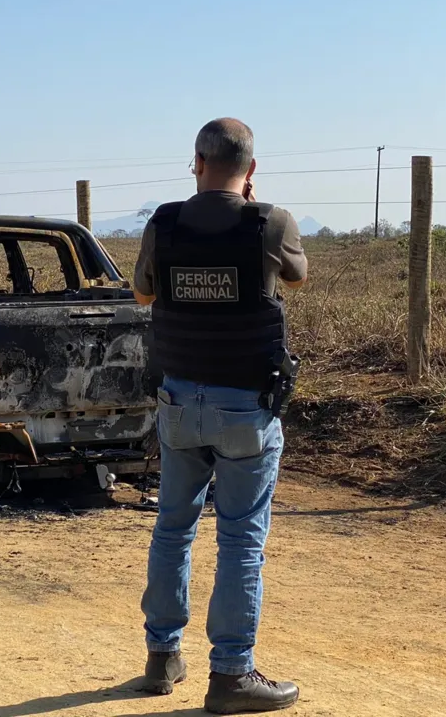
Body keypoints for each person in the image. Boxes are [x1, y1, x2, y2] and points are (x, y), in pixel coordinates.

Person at [133, 118, 307, 714]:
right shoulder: (270, 223)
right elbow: (296, 276)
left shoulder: (165, 222)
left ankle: (162, 656)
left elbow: (143, 296)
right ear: (251, 169)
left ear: (196, 163)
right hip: (245, 411)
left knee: (173, 528)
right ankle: (231, 675)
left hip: (178, 403)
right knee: (240, 541)